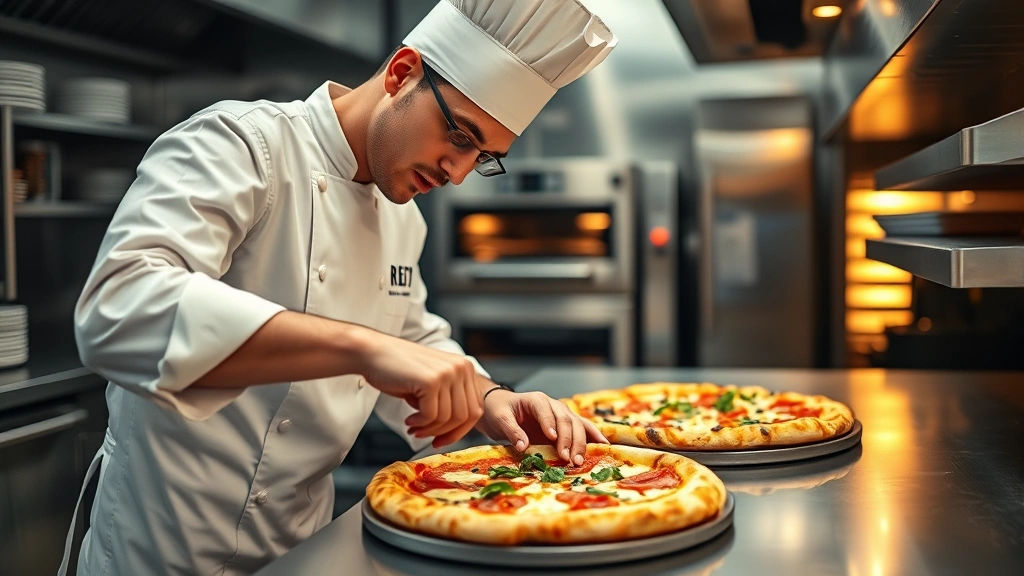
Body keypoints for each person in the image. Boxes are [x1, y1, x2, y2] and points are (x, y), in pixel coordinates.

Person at [59, 1, 618, 575]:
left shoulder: (403, 216)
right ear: (402, 73)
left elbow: (413, 338)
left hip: (299, 551)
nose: (456, 172)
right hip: (159, 550)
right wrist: (362, 347)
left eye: (483, 158)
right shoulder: (243, 144)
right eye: (459, 135)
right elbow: (118, 308)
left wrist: (490, 398)